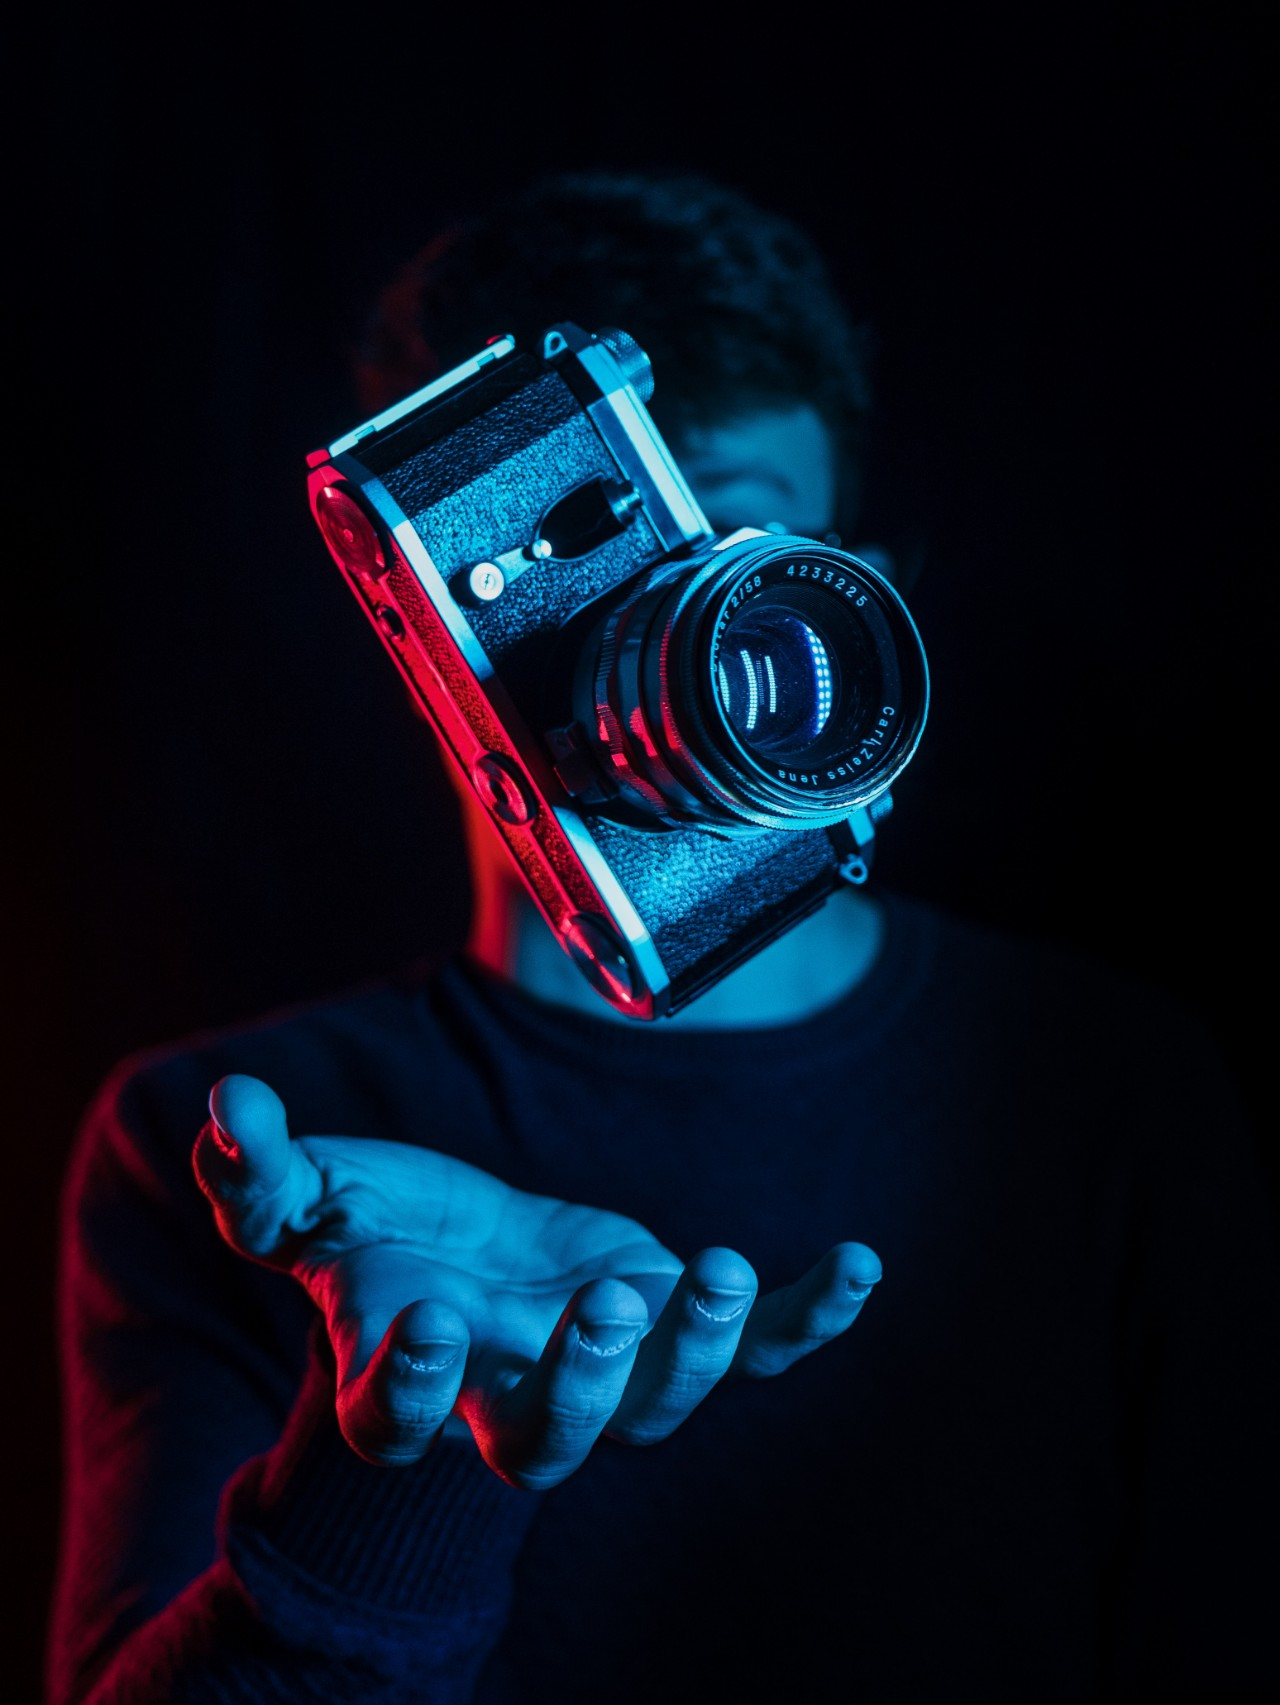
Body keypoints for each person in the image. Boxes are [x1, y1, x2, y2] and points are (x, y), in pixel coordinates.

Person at [48, 172, 1277, 1703]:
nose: (706, 632)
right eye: (607, 549)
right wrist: (400, 1458)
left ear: (864, 581)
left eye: (747, 547)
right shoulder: (249, 1154)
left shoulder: (1095, 1089)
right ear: (411, 612)